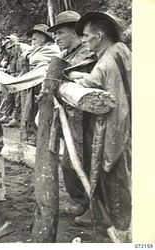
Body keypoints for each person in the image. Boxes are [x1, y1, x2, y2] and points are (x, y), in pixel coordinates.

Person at [69, 12, 131, 234]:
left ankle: (120, 224)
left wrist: (114, 135)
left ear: (99, 34)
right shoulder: (118, 51)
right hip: (124, 123)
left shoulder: (109, 59)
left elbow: (116, 98)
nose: (83, 40)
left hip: (118, 125)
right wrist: (81, 77)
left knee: (115, 172)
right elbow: (96, 80)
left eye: (86, 36)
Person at [47, 11, 96, 217]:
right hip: (69, 116)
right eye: (55, 34)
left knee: (81, 160)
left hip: (87, 119)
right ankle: (82, 201)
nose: (56, 38)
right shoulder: (66, 55)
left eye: (60, 33)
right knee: (70, 160)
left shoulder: (87, 53)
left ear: (75, 33)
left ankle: (89, 206)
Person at [21, 24, 60, 146]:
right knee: (31, 109)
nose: (32, 42)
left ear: (43, 39)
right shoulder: (40, 48)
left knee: (40, 111)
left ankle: (39, 138)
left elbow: (33, 59)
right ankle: (33, 137)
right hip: (36, 82)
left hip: (45, 84)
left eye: (34, 39)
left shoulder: (51, 48)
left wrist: (28, 55)